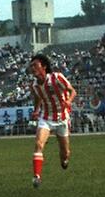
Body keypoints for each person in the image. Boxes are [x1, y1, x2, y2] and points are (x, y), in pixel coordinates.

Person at [29, 54, 76, 188]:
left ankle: (64, 160)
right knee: (38, 144)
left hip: (62, 117)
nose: (32, 68)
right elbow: (38, 98)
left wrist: (68, 101)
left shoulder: (57, 77)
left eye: (35, 65)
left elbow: (72, 91)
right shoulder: (34, 86)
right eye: (31, 66)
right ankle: (37, 176)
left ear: (43, 66)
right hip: (46, 117)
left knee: (65, 152)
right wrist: (36, 110)